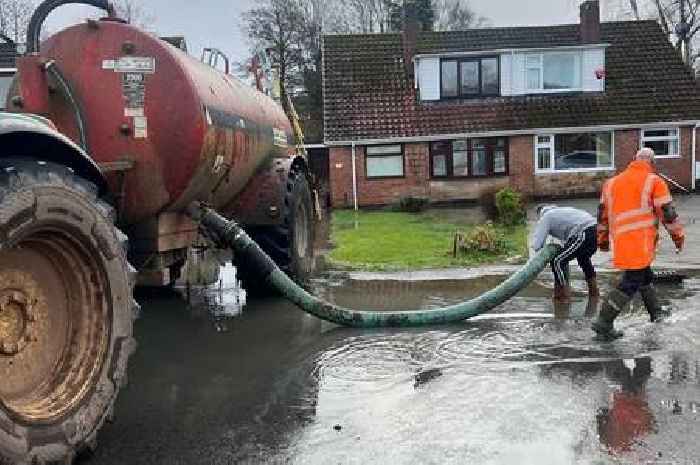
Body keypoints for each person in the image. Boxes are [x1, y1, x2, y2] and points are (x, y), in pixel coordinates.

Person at [593, 147, 685, 340]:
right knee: (631, 282)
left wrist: (602, 241)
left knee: (644, 276)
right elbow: (668, 214)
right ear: (652, 162)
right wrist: (678, 238)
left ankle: (656, 313)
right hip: (641, 241)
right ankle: (603, 322)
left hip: (621, 240)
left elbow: (602, 216)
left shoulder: (611, 183)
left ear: (633, 160)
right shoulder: (654, 181)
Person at [532, 204, 599, 301]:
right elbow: (567, 242)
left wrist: (537, 259)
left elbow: (537, 245)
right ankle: (594, 294)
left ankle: (563, 296)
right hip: (596, 231)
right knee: (583, 259)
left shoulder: (546, 216)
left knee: (557, 261)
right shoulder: (561, 212)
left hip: (584, 232)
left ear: (539, 213)